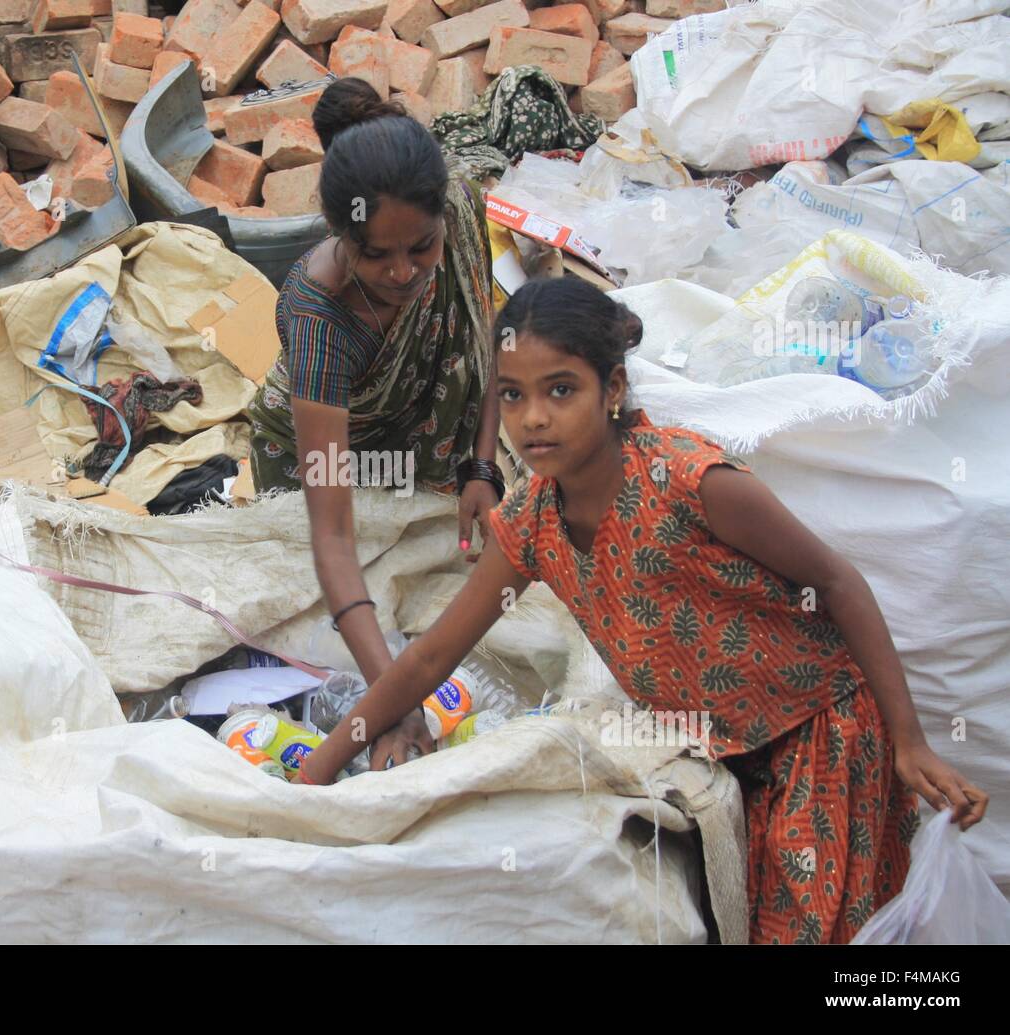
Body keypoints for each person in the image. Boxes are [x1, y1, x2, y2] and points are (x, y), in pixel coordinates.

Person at [298, 276, 989, 945]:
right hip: (730, 760)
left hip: (821, 731)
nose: (533, 417)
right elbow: (427, 656)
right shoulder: (533, 523)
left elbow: (838, 582)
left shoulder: (691, 481)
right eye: (513, 396)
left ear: (614, 389)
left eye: (560, 389)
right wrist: (315, 774)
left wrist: (909, 740)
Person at [247, 78, 503, 764]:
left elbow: (483, 339)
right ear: (338, 235)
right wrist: (394, 701)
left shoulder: (459, 207)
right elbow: (332, 534)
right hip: (317, 450)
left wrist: (483, 463)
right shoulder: (318, 316)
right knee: (306, 610)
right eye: (375, 255)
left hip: (422, 431)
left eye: (421, 248)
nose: (403, 273)